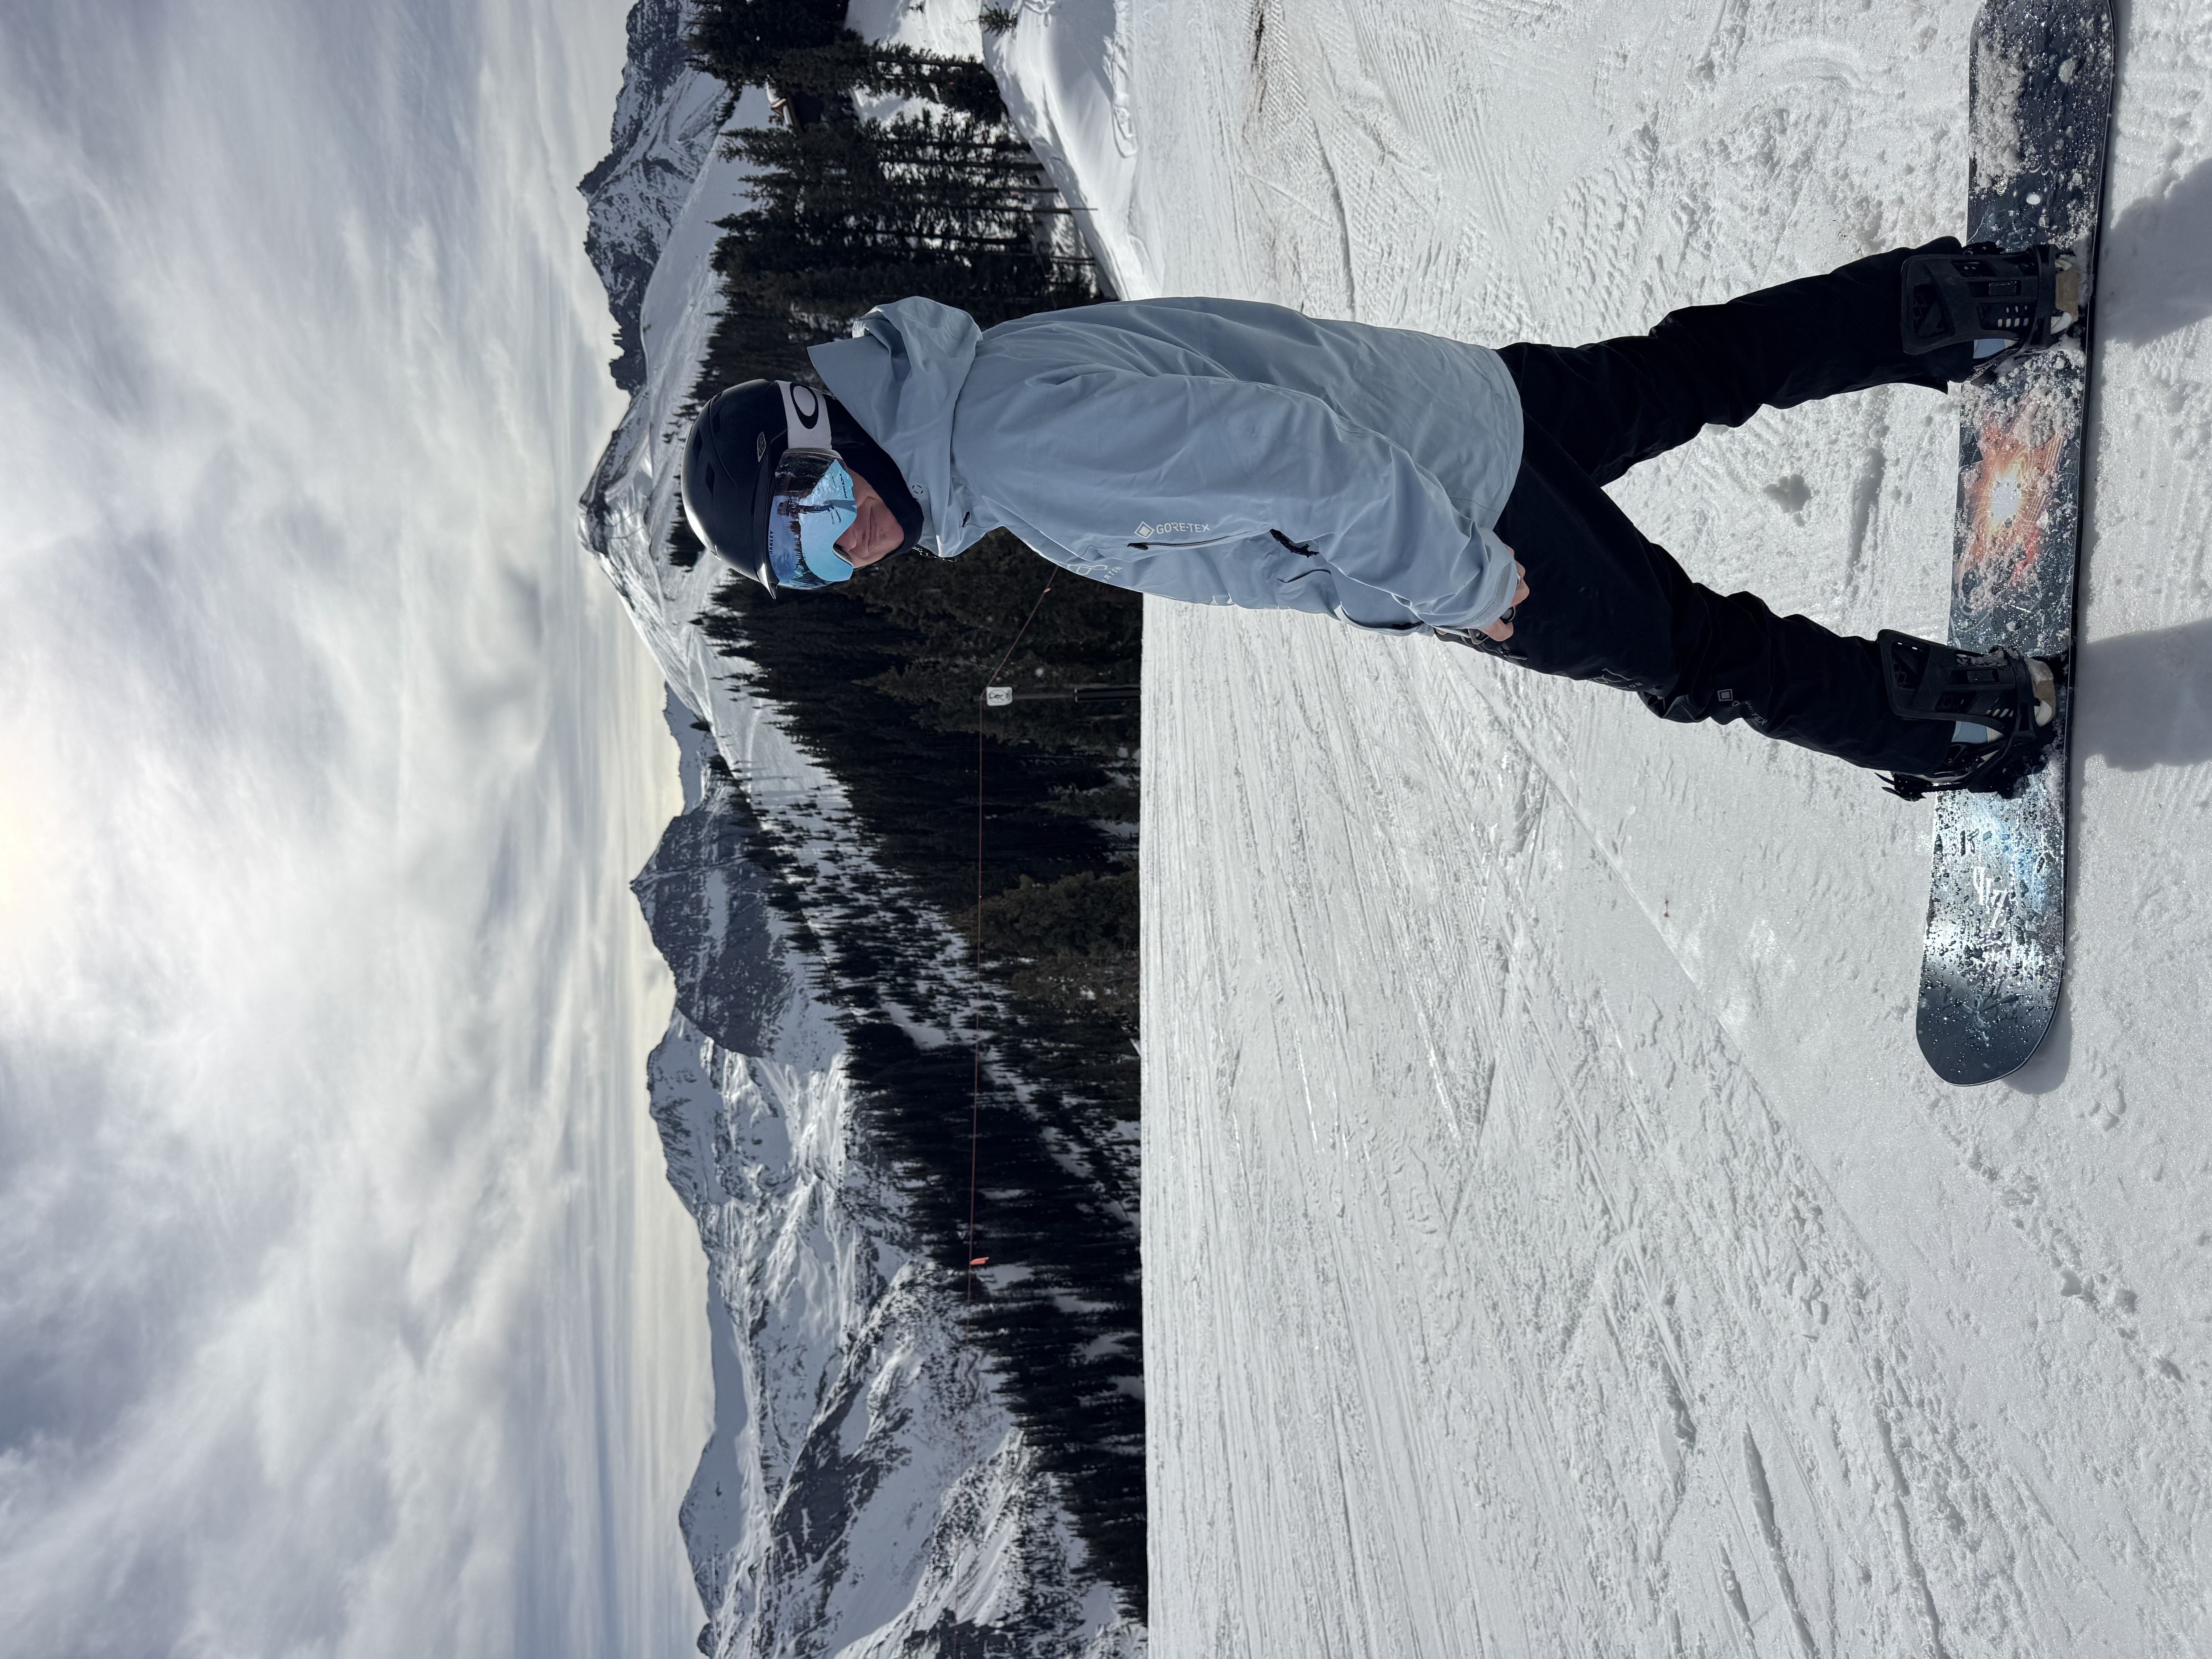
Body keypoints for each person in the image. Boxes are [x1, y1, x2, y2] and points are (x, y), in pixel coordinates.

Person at [679, 240, 2076, 799]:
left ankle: (1962, 721)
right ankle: (1959, 305)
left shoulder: (1014, 446)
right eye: (804, 574)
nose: (840, 558)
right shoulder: (981, 382)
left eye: (809, 526)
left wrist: (1464, 583)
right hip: (1462, 409)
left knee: (1700, 657)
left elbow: (1289, 457)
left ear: (821, 438)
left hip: (1460, 518)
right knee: (1694, 368)